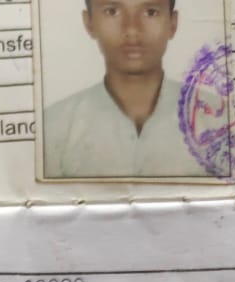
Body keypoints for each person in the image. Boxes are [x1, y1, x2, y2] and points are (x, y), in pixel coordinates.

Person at [44, 0, 213, 178]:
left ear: (173, 23)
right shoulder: (53, 128)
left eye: (151, 12)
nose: (132, 30)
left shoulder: (218, 121)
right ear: (89, 23)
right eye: (112, 12)